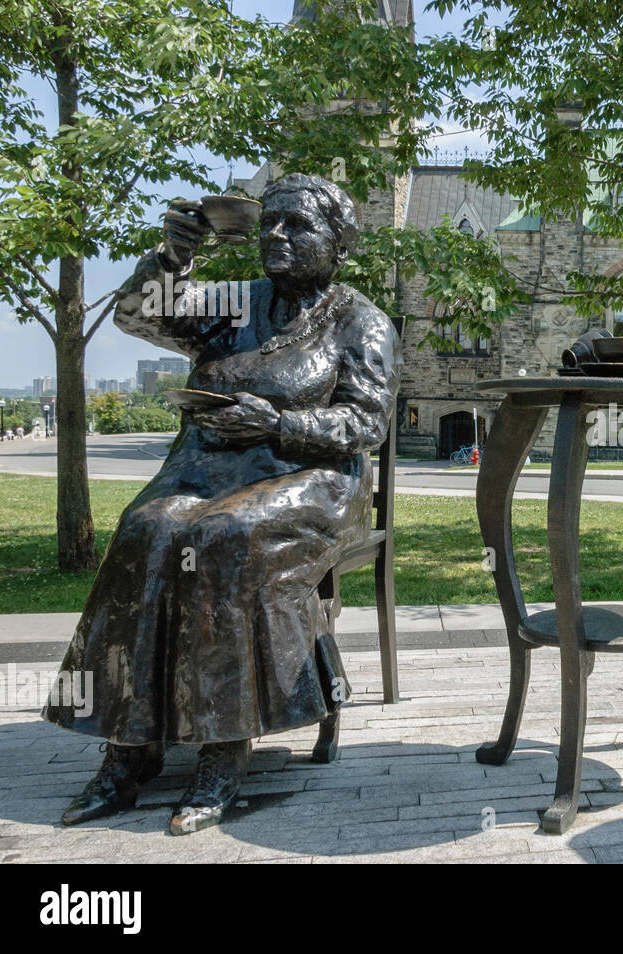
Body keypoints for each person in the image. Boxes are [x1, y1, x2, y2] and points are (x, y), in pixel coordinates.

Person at [44, 174, 402, 834]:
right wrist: (172, 261)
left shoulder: (362, 322)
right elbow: (138, 316)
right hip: (207, 470)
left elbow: (364, 425)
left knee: (225, 538)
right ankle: (128, 748)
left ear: (340, 244)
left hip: (313, 479)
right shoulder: (235, 302)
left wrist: (275, 424)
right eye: (270, 223)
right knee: (144, 531)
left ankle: (224, 748)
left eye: (297, 226)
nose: (277, 235)